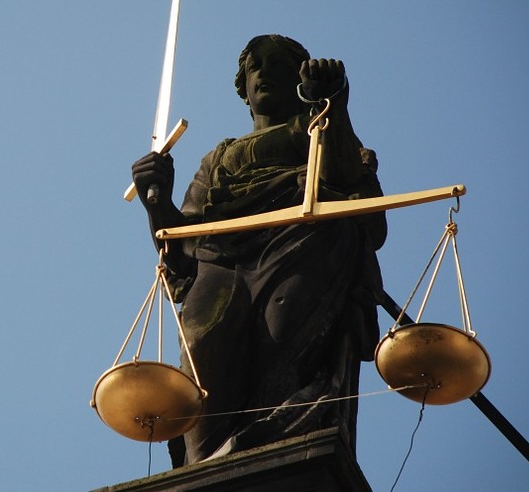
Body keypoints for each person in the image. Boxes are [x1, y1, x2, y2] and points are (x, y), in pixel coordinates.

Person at [131, 34, 387, 467]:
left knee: (286, 335)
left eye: (279, 65)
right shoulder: (219, 158)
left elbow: (366, 211)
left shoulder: (319, 130)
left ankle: (280, 450)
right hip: (222, 259)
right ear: (244, 90)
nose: (265, 73)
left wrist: (334, 104)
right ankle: (206, 466)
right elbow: (179, 250)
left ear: (301, 80)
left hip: (304, 244)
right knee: (201, 341)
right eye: (256, 67)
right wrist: (156, 201)